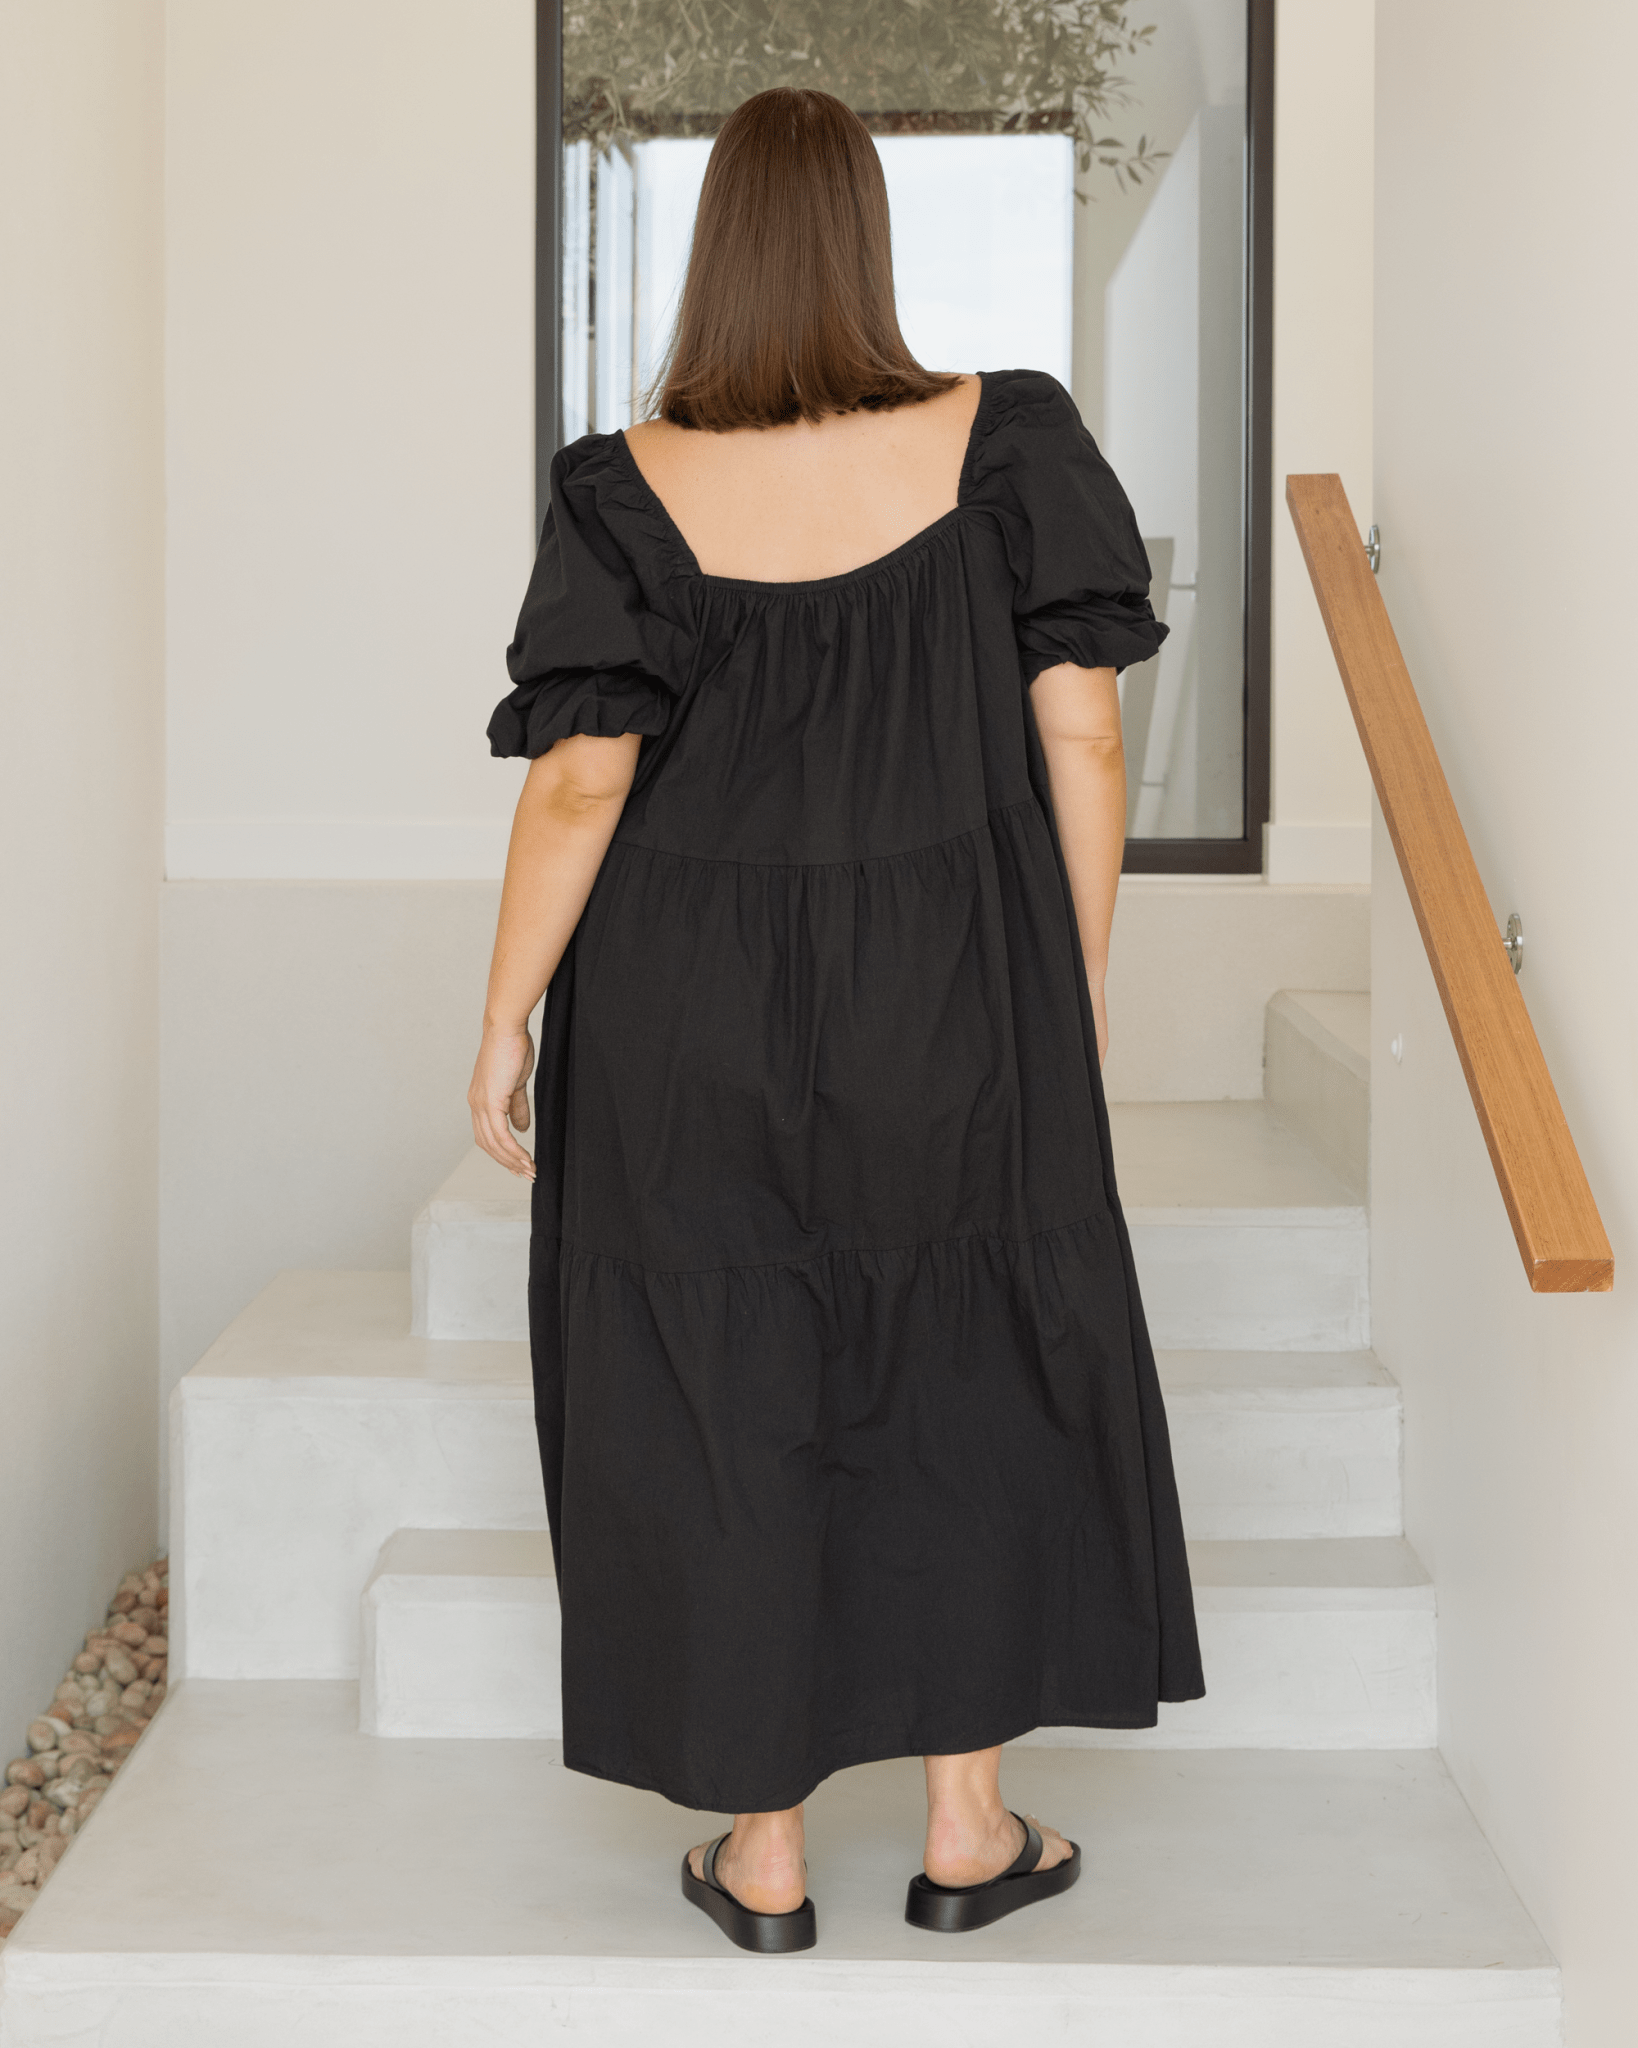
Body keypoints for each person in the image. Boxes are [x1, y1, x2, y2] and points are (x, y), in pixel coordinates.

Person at [469, 85, 1203, 1955]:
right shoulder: (1009, 437)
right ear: (866, 241)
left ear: (713, 252)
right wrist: (1068, 975)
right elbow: (1082, 730)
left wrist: (506, 1012)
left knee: (717, 1382)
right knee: (965, 1362)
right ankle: (967, 1829)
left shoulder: (617, 482)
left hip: (682, 997)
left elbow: (581, 777)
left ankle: (766, 1848)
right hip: (954, 980)